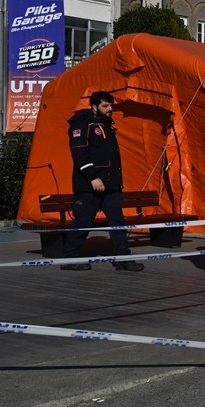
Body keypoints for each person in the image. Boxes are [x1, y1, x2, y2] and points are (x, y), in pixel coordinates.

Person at [59, 91, 144, 272]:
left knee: (117, 222)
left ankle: (123, 258)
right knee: (83, 222)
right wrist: (92, 177)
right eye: (106, 106)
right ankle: (70, 258)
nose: (110, 109)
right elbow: (79, 154)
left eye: (111, 106)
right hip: (90, 186)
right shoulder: (82, 124)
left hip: (111, 184)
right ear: (94, 107)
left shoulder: (106, 125)